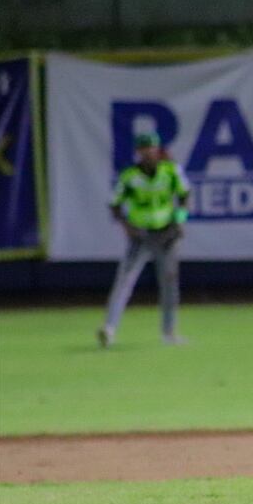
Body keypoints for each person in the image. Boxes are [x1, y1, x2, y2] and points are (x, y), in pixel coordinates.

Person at [97, 132, 191, 348]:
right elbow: (114, 204)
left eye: (152, 147)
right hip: (141, 235)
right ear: (138, 152)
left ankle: (169, 332)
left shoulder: (170, 170)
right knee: (124, 281)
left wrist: (180, 220)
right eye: (144, 148)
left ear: (158, 149)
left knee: (169, 284)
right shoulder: (129, 176)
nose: (148, 152)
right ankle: (109, 328)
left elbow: (185, 195)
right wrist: (127, 227)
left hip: (166, 234)